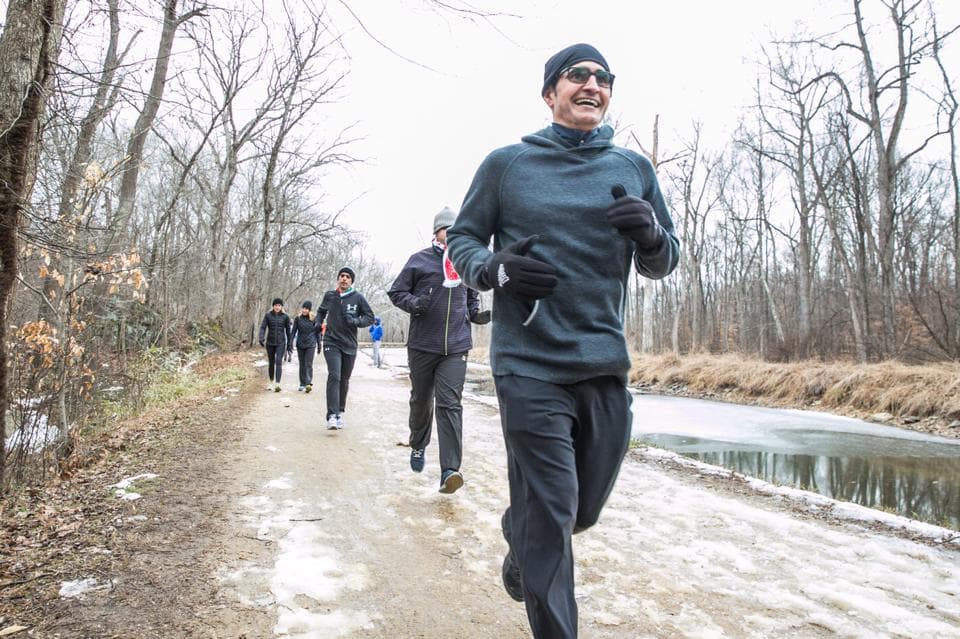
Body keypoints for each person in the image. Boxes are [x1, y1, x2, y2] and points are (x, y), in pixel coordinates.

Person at [447, 43, 680, 638]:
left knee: (579, 509)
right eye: (577, 75)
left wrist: (651, 236)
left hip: (602, 361)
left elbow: (664, 261)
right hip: (528, 363)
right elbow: (464, 241)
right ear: (550, 92)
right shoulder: (507, 165)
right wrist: (495, 270)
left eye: (603, 78)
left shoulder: (633, 169)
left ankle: (521, 536)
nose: (592, 85)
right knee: (552, 508)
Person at [388, 207, 491, 494]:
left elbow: (472, 298)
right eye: (449, 230)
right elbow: (396, 292)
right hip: (423, 344)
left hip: (456, 346)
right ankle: (418, 444)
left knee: (450, 404)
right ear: (437, 232)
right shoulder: (418, 260)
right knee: (422, 400)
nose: (455, 235)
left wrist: (477, 315)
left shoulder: (464, 262)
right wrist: (415, 304)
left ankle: (450, 470)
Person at [317, 267, 375, 430]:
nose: (344, 278)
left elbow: (369, 317)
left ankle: (339, 412)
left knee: (344, 379)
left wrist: (356, 321)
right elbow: (321, 312)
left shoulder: (358, 298)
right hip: (331, 341)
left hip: (349, 344)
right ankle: (331, 416)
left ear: (351, 281)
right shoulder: (330, 296)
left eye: (347, 277)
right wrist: (318, 323)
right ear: (338, 279)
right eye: (341, 276)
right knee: (334, 375)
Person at [258, 297, 293, 392]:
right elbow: (263, 327)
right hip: (270, 343)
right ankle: (271, 382)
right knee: (271, 363)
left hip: (281, 343)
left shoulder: (285, 317)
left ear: (281, 307)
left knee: (278, 361)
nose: (277, 307)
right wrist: (261, 337)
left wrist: (290, 344)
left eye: (279, 305)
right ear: (273, 306)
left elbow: (288, 332)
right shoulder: (268, 315)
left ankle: (277, 384)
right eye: (275, 305)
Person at [290, 300, 323, 392]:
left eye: (306, 309)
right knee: (302, 364)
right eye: (303, 308)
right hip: (300, 344)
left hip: (311, 344)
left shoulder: (314, 319)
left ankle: (308, 383)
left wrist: (319, 344)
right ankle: (302, 383)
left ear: (309, 310)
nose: (304, 310)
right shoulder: (298, 319)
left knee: (308, 363)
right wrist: (290, 343)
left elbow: (317, 333)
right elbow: (293, 332)